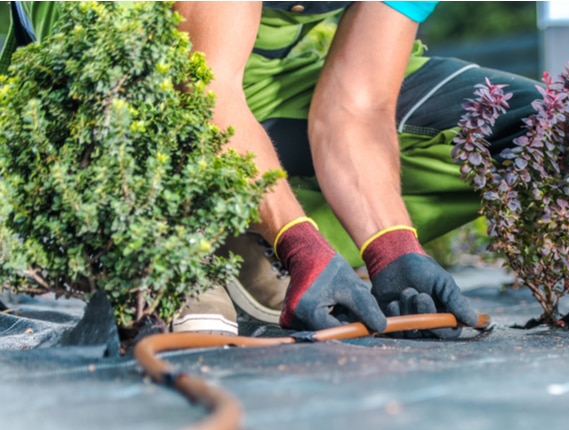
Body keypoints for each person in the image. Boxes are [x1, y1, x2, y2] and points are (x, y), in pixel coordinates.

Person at [1, 1, 538, 338]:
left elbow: (357, 105)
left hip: (254, 72)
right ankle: (188, 243)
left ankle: (246, 246)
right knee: (137, 55)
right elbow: (205, 82)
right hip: (108, 48)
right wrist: (297, 239)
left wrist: (393, 249)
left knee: (535, 124)